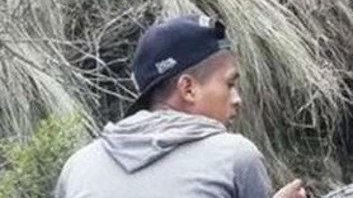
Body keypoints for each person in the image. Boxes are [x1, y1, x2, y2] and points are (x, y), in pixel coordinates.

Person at [55, 14, 308, 198]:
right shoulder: (234, 156)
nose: (237, 99)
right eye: (229, 84)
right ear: (188, 89)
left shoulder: (77, 168)